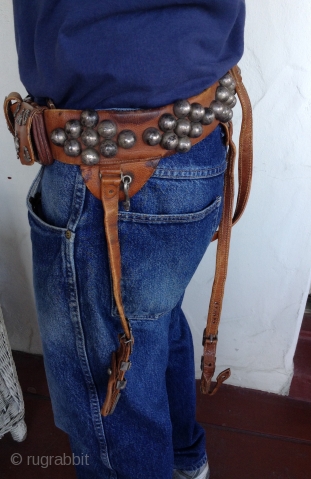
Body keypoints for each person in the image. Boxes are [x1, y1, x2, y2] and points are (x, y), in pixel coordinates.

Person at [10, 1, 246, 478]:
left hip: (107, 171)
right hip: (196, 137)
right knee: (154, 322)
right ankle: (185, 462)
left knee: (110, 402)